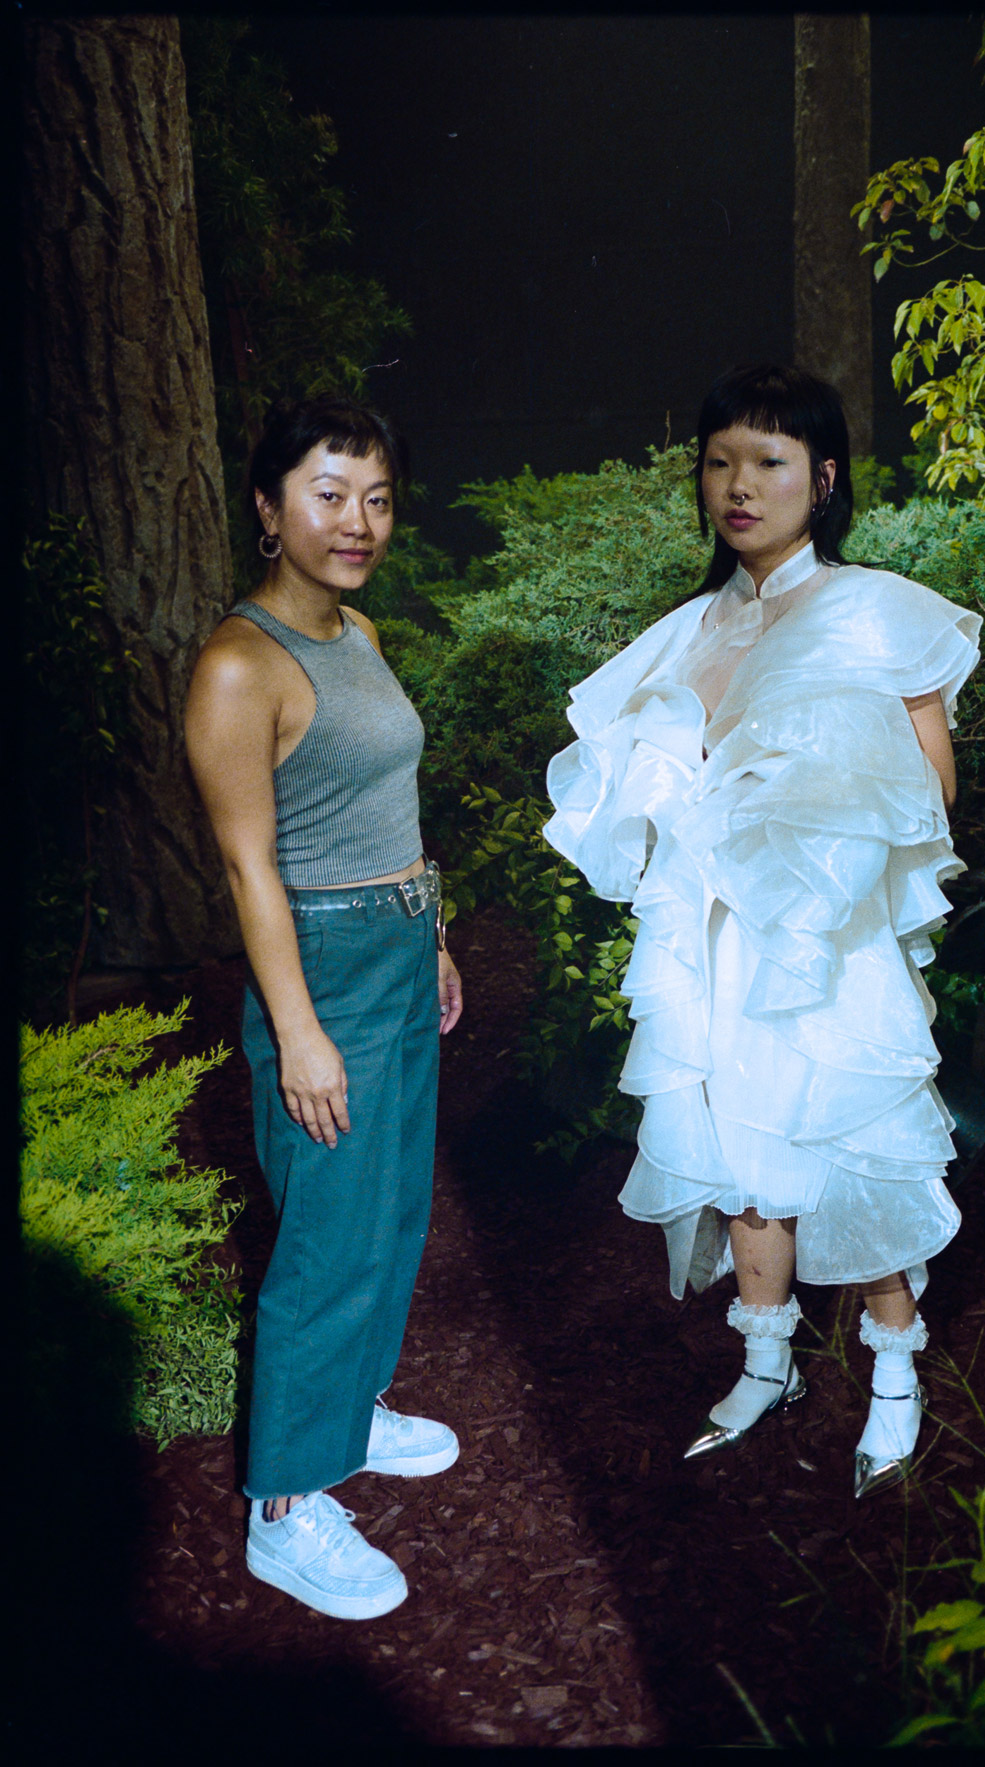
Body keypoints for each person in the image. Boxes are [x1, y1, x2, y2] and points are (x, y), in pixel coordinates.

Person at [544, 364, 981, 1496]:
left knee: (848, 1138)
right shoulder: (690, 628)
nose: (740, 486)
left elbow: (933, 787)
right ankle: (765, 1363)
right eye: (720, 462)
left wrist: (810, 807)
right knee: (739, 1152)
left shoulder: (870, 608)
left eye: (770, 462)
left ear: (822, 479)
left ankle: (895, 1377)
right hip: (712, 936)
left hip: (822, 936)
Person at [185, 394, 464, 1618]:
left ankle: (348, 1409)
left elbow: (390, 803)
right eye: (330, 494)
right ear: (268, 507)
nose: (359, 521)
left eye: (378, 498)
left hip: (397, 943)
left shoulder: (358, 632)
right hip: (323, 963)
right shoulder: (239, 666)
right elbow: (250, 870)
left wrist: (434, 934)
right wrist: (299, 1033)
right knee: (326, 1232)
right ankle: (285, 1505)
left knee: (389, 1206)